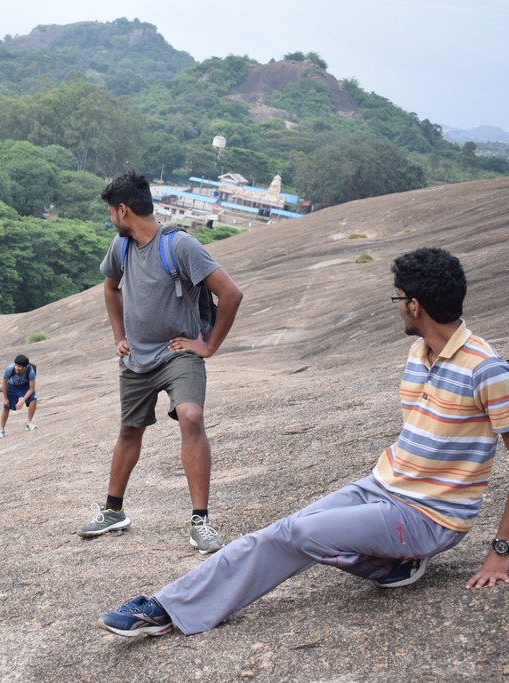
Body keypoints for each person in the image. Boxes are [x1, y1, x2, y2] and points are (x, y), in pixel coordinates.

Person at [96, 247, 509, 638]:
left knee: (300, 533)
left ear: (415, 306)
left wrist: (501, 551)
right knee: (282, 531)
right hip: (383, 488)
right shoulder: (420, 351)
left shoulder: (486, 370)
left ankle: (169, 611)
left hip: (428, 516)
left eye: (397, 298)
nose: (397, 305)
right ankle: (167, 605)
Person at [77, 170, 244, 556]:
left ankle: (200, 521)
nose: (111, 219)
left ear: (123, 210)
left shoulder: (181, 245)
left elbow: (231, 294)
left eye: (110, 212)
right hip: (136, 356)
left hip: (177, 353)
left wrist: (208, 346)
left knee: (191, 417)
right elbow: (110, 286)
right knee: (129, 431)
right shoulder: (121, 247)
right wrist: (119, 336)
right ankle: (113, 511)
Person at [0, 355, 38, 438]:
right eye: (16, 365)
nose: (16, 367)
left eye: (19, 366)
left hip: (25, 386)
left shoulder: (30, 371)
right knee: (6, 407)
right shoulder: (10, 369)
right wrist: (5, 398)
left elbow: (31, 389)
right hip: (12, 387)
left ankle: (29, 422)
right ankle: (1, 430)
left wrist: (22, 401)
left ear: (24, 367)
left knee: (33, 399)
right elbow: (4, 382)